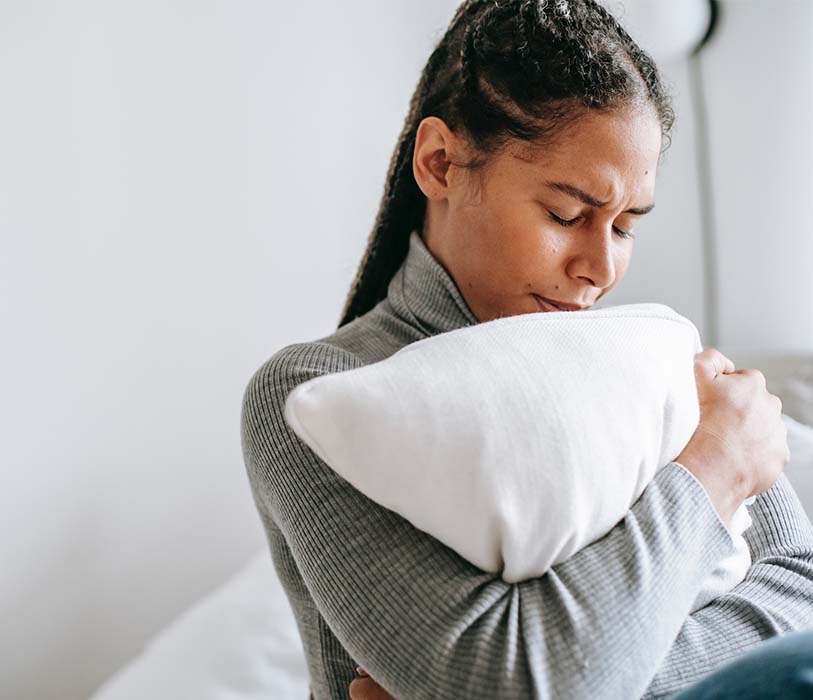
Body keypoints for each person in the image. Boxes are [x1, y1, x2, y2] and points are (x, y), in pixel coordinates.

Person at [239, 0, 813, 698]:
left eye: (625, 227)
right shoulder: (311, 394)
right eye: (566, 214)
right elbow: (520, 684)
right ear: (440, 162)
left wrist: (614, 670)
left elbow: (801, 595)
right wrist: (712, 469)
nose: (600, 269)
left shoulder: (649, 357)